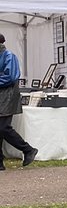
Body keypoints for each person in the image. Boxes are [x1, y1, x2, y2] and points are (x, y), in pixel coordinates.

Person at [0, 33, 38, 169]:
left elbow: (11, 77)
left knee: (3, 128)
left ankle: (28, 149)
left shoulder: (9, 56)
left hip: (7, 97)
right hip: (2, 97)